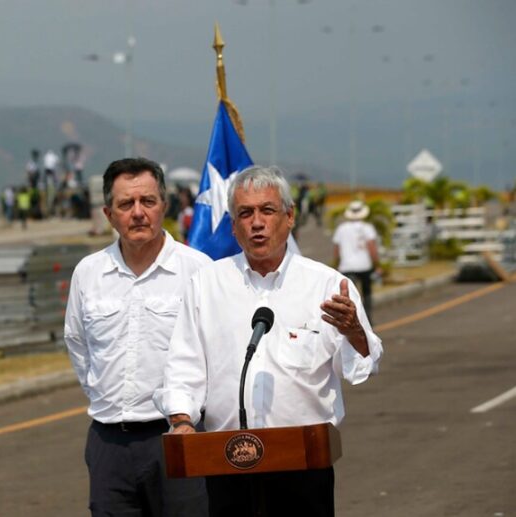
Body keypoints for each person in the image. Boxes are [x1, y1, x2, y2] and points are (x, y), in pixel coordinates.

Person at [154, 166, 383, 517]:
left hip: (303, 464)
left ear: (289, 217)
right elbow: (184, 365)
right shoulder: (206, 285)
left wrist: (354, 331)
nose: (257, 223)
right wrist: (182, 420)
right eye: (245, 213)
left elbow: (362, 367)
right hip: (227, 463)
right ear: (233, 226)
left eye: (267, 210)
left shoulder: (326, 285)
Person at [64, 157, 212, 517]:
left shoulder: (198, 270)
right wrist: (106, 396)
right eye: (125, 204)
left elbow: (216, 353)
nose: (138, 213)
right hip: (109, 443)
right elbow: (78, 345)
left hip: (179, 436)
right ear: (108, 214)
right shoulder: (88, 273)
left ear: (165, 205)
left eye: (148, 201)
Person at [332, 200, 381, 321]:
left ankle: (351, 319)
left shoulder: (342, 228)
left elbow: (337, 249)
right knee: (366, 294)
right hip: (365, 266)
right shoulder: (367, 228)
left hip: (347, 266)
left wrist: (336, 264)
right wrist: (377, 264)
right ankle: (367, 319)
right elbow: (372, 247)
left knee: (350, 296)